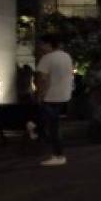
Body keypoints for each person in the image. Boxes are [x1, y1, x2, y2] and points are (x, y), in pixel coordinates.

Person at [35, 34, 74, 166]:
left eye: (42, 44)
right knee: (53, 124)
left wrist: (40, 94)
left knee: (53, 127)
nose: (41, 47)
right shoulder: (66, 56)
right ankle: (56, 153)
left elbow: (42, 79)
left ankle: (58, 155)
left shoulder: (46, 58)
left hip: (50, 96)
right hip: (64, 96)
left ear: (48, 44)